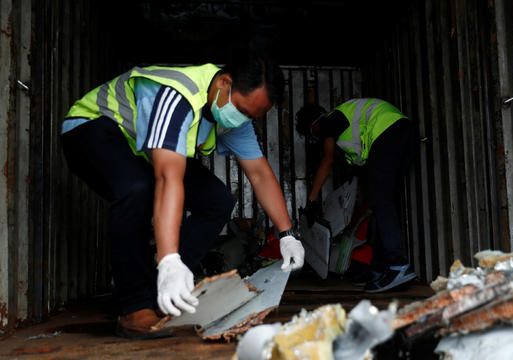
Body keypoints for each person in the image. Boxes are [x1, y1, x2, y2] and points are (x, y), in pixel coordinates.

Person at [62, 52, 304, 339]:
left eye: (251, 116)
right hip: (92, 129)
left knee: (217, 201)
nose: (242, 120)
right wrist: (168, 260)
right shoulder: (179, 94)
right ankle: (134, 305)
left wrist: (287, 233)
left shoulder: (233, 115)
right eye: (242, 110)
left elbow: (260, 173)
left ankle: (164, 293)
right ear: (225, 82)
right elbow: (167, 177)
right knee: (137, 188)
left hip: (142, 152)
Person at [296, 98, 417, 293]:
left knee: (381, 201)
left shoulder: (330, 121)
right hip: (403, 133)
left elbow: (326, 161)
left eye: (313, 134)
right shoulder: (347, 131)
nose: (317, 138)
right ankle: (380, 267)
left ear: (315, 125)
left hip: (387, 132)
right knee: (380, 203)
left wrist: (312, 200)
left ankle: (397, 264)